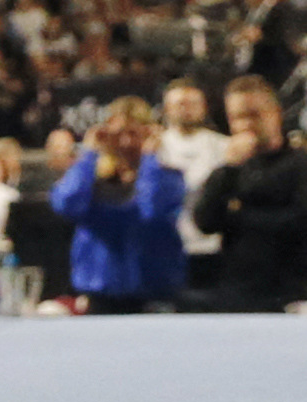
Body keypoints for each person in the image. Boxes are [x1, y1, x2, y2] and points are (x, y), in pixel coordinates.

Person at [48, 96, 187, 314]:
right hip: (100, 291)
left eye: (134, 134)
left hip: (154, 292)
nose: (126, 143)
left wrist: (150, 159)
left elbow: (151, 211)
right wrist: (89, 154)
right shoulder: (89, 178)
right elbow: (67, 205)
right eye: (118, 134)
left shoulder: (166, 176)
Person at [185, 77, 305, 311]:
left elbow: (299, 221)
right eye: (237, 117)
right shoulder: (229, 170)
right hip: (238, 291)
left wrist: (239, 214)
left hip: (292, 290)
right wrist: (229, 170)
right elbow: (205, 222)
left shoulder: (299, 164)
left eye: (254, 115)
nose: (245, 125)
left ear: (275, 113)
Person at [154, 79, 230, 265]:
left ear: (204, 107)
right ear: (166, 109)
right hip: (167, 247)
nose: (187, 109)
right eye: (180, 103)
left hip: (213, 246)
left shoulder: (224, 147)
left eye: (194, 103)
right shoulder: (153, 148)